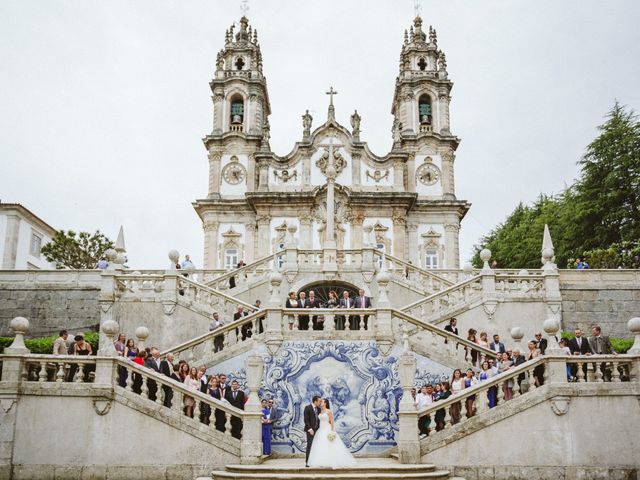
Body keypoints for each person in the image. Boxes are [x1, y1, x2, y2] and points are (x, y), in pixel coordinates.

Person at [307, 398, 357, 468]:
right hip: (320, 429)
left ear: (325, 403)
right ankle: (322, 461)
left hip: (327, 428)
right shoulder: (320, 411)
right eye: (320, 402)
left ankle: (333, 461)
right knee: (321, 445)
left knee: (330, 445)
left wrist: (332, 430)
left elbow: (331, 422)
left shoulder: (329, 411)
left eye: (322, 402)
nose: (321, 403)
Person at [303, 395, 322, 467]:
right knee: (310, 445)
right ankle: (307, 462)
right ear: (315, 401)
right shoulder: (307, 408)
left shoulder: (319, 409)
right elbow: (306, 419)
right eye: (319, 401)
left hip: (318, 430)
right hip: (310, 430)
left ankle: (315, 461)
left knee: (317, 446)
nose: (320, 402)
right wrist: (310, 429)